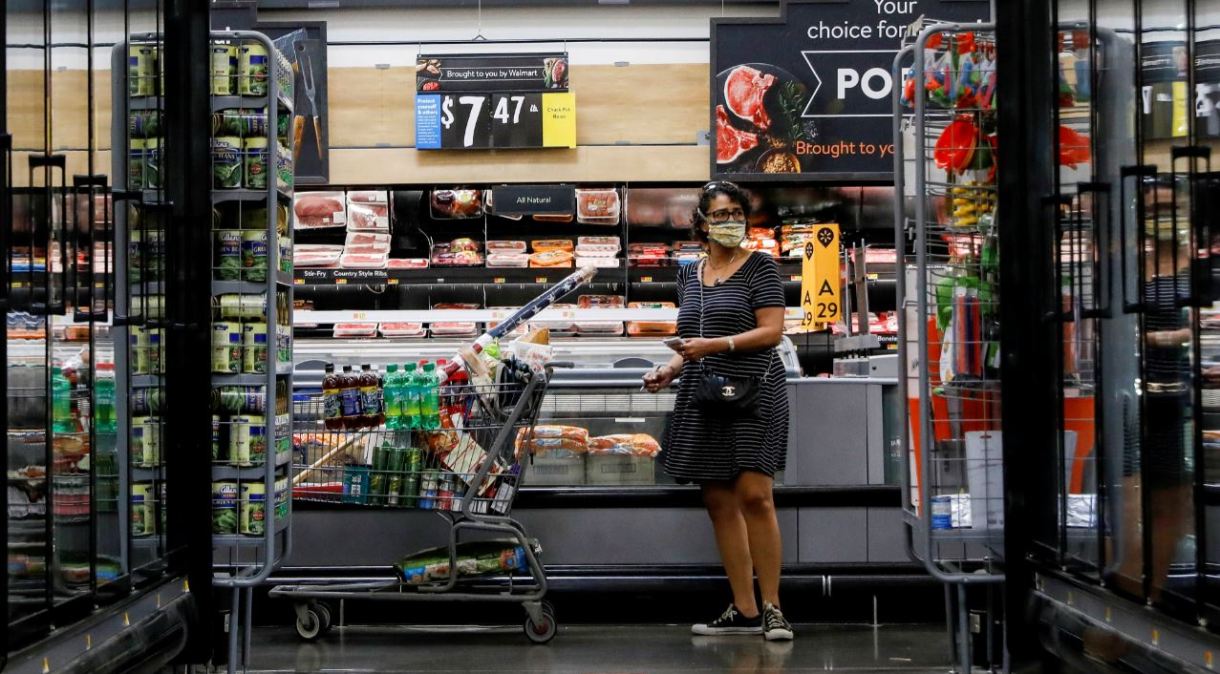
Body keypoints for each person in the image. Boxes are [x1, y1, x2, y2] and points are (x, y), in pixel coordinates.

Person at [642, 181, 793, 641]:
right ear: (702, 224)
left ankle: (773, 608)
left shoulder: (761, 267)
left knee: (754, 496)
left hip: (755, 389)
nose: (731, 222)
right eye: (721, 215)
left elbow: (772, 332)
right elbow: (690, 337)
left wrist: (718, 345)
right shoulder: (689, 274)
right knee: (719, 502)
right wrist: (669, 368)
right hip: (704, 391)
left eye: (736, 214)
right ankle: (743, 608)